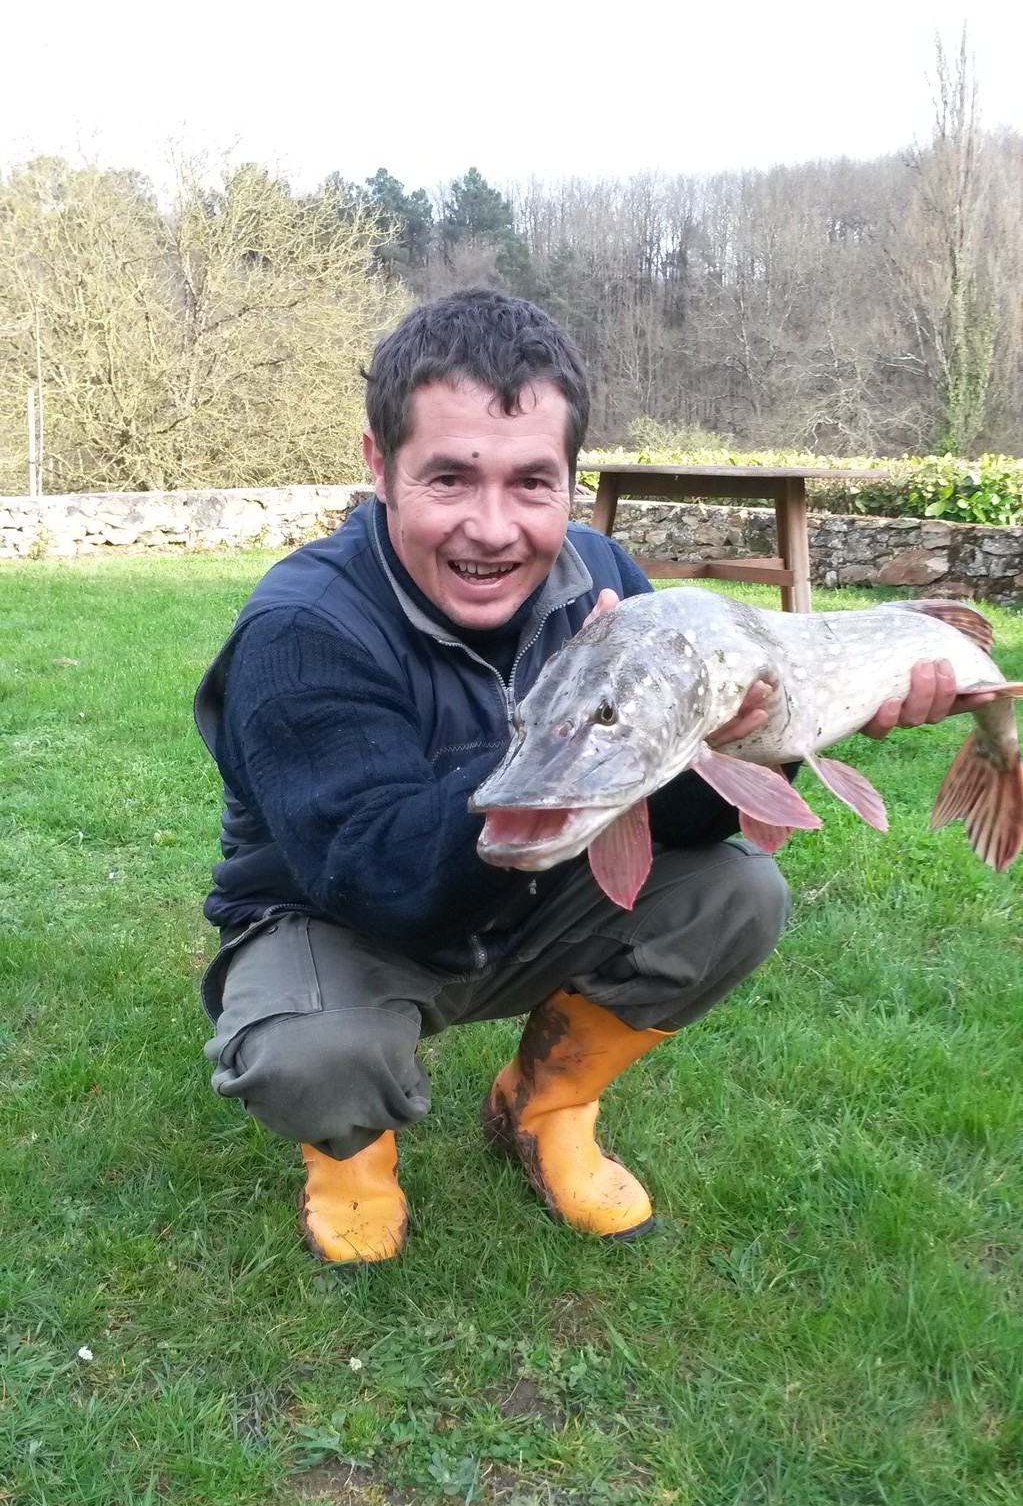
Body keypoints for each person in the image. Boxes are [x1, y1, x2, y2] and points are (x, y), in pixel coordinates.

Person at [195, 288, 967, 1268]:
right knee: (313, 1051)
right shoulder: (303, 630)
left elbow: (679, 820)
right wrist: (578, 736)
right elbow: (378, 880)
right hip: (338, 915)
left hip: (522, 890)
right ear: (378, 468)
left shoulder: (601, 573)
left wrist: (739, 741)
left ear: (571, 479)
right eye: (448, 479)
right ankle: (353, 1153)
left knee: (737, 892)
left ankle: (544, 1105)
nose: (493, 527)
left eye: (531, 483)